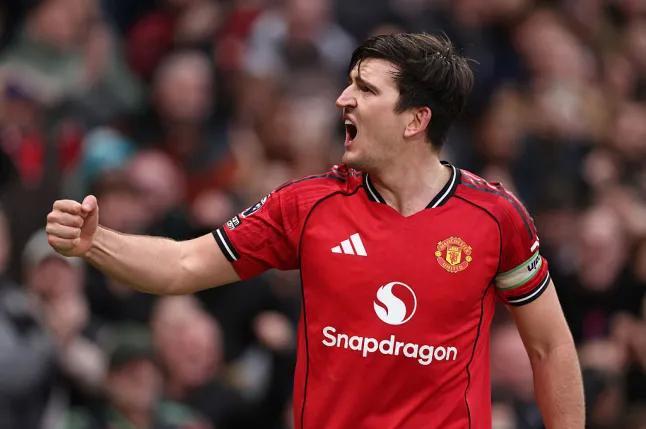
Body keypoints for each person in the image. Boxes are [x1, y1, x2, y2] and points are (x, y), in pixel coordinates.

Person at [46, 33, 585, 428]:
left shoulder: (496, 217)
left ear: (415, 120)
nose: (342, 99)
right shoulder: (307, 205)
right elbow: (183, 265)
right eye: (349, 84)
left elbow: (551, 348)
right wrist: (97, 242)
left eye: (365, 89)